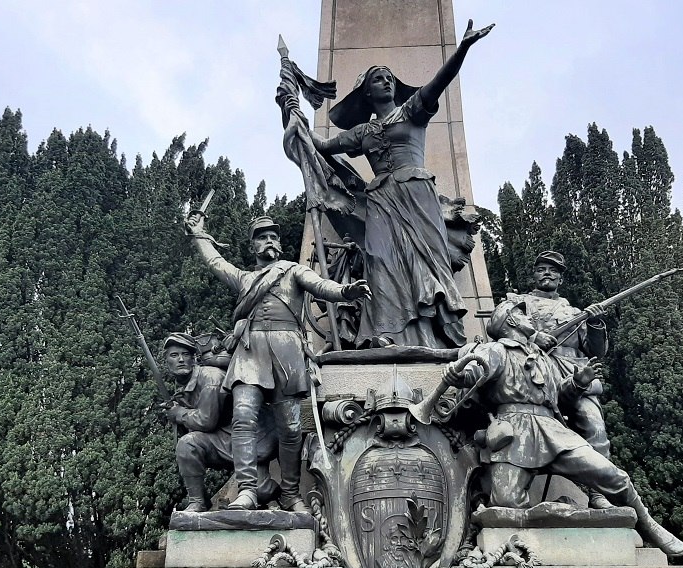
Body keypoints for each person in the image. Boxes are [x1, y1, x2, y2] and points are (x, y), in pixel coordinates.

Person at [443, 298, 683, 557]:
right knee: (505, 503)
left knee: (613, 476)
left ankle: (648, 524)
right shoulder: (496, 351)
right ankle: (552, 524)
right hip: (514, 434)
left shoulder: (543, 358)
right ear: (512, 321)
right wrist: (458, 376)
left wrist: (579, 382)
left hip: (552, 429)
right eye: (522, 315)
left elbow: (560, 397)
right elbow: (474, 372)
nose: (530, 319)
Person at [311, 20, 494, 349]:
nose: (385, 81)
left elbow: (440, 82)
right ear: (367, 92)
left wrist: (462, 49)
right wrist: (290, 114)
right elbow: (321, 147)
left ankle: (430, 337)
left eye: (389, 78)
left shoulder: (412, 111)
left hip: (416, 195)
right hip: (381, 200)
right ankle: (387, 334)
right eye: (377, 79)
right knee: (380, 263)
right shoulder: (362, 133)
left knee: (425, 264)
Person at [187, 213, 372, 511]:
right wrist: (199, 234)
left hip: (287, 353)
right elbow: (215, 263)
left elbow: (322, 286)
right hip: (250, 352)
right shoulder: (245, 279)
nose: (269, 241)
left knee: (290, 427)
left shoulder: (293, 270)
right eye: (262, 237)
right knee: (243, 416)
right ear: (252, 246)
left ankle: (289, 493)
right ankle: (247, 490)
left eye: (273, 236)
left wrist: (344, 292)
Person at [522, 250, 612, 508]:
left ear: (560, 278)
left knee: (595, 427)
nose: (547, 273)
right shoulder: (518, 304)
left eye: (553, 270)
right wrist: (533, 336)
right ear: (534, 274)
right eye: (541, 268)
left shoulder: (574, 313)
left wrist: (595, 323)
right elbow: (502, 332)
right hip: (533, 378)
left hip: (574, 376)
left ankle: (598, 493)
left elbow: (596, 351)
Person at [160, 332, 279, 512]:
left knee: (261, 492)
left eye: (186, 355)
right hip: (224, 438)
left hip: (253, 440)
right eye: (174, 355)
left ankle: (282, 494)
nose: (181, 360)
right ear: (166, 361)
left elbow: (206, 421)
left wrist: (179, 413)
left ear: (194, 359)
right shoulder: (186, 385)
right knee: (187, 445)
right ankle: (198, 501)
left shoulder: (210, 378)